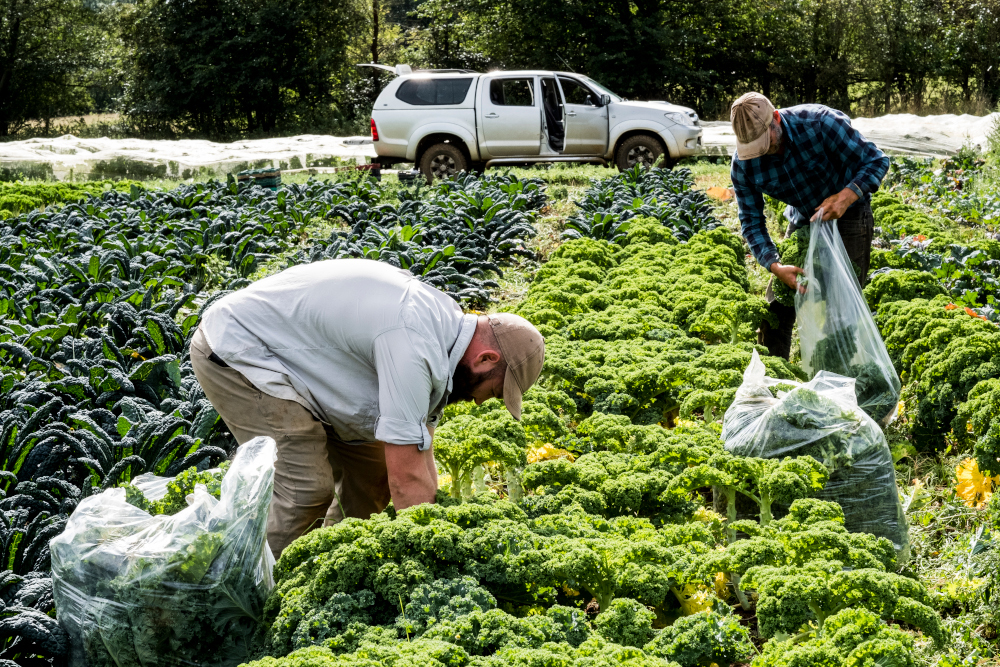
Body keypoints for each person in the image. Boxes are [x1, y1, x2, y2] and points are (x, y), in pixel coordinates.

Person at [190, 259, 545, 557]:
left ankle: (331, 561)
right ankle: (254, 594)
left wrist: (433, 516)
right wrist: (433, 560)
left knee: (373, 475)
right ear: (486, 358)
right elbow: (407, 479)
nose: (483, 401)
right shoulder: (415, 342)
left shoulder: (445, 331)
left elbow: (418, 452)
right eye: (495, 391)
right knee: (306, 488)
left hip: (303, 366)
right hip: (243, 351)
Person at [730, 92, 890, 359]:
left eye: (763, 143)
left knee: (842, 306)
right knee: (775, 308)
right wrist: (775, 265)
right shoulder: (744, 165)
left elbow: (876, 160)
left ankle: (840, 377)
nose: (758, 153)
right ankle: (771, 378)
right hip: (804, 219)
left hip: (849, 213)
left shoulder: (820, 124)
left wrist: (846, 196)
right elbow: (751, 220)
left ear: (776, 119)